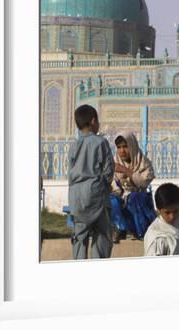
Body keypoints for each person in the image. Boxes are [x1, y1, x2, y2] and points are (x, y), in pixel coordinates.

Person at [67, 104, 114, 259]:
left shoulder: (74, 146)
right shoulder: (101, 143)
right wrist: (105, 188)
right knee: (102, 235)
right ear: (93, 121)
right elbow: (108, 171)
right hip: (96, 194)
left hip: (76, 197)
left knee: (80, 237)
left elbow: (71, 173)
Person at [110, 132, 156, 242]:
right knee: (111, 200)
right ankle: (121, 229)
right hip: (121, 199)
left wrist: (126, 171)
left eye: (125, 146)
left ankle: (142, 231)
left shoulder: (143, 162)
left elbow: (144, 182)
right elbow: (112, 184)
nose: (122, 151)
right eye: (119, 147)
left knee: (134, 197)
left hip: (138, 199)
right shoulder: (114, 162)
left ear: (132, 146)